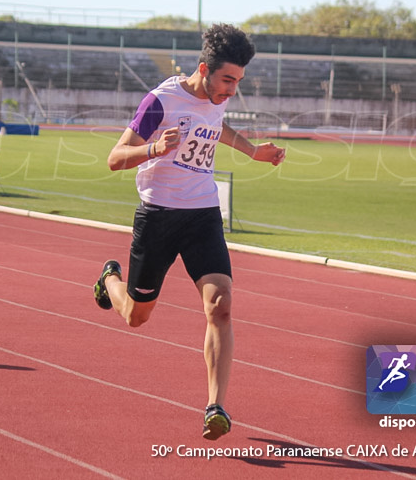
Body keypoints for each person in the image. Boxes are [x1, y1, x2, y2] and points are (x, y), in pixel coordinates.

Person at [93, 23, 286, 441]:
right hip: (158, 218)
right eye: (227, 80)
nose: (232, 90)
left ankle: (215, 407)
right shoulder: (160, 101)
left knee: (221, 306)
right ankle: (110, 280)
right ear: (204, 69)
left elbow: (216, 125)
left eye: (238, 81)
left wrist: (254, 152)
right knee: (136, 317)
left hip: (202, 215)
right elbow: (114, 158)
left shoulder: (217, 98)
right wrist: (154, 149)